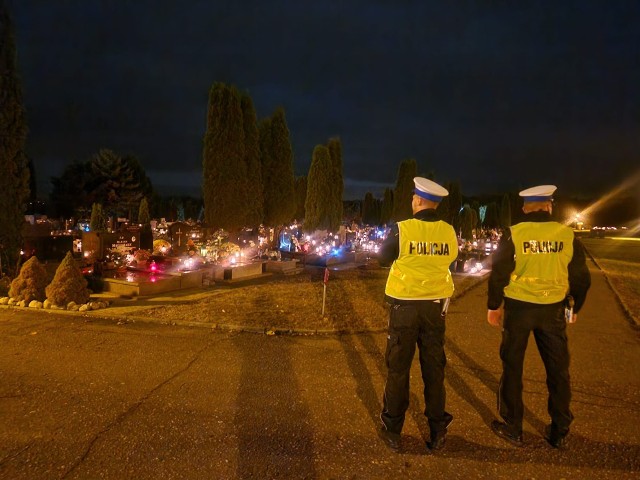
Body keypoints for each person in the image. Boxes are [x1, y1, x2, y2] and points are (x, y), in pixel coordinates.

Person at [487, 185, 591, 449]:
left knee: (512, 368)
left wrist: (494, 305)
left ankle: (512, 427)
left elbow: (499, 271)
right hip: (552, 310)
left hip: (519, 310)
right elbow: (581, 277)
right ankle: (559, 427)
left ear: (524, 209)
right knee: (558, 370)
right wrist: (574, 307)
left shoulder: (515, 233)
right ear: (549, 206)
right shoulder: (566, 235)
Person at [377, 177, 459, 452]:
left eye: (413, 198)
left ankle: (393, 429)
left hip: (405, 309)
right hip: (435, 308)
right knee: (434, 369)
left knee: (398, 369)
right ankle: (437, 430)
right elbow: (450, 260)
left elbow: (383, 257)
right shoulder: (448, 231)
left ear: (419, 201)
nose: (411, 201)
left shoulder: (403, 229)